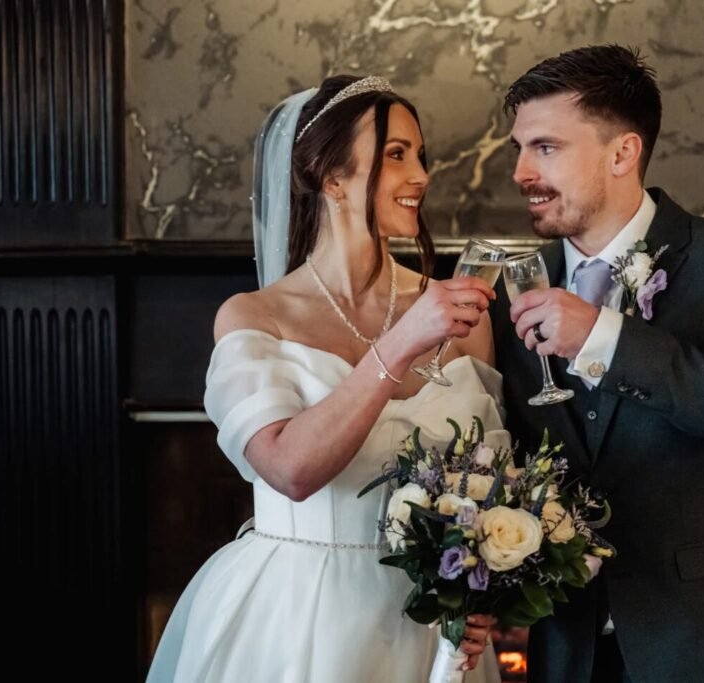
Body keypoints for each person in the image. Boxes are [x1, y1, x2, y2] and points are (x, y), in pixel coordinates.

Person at [148, 75, 503, 682]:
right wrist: (400, 343)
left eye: (421, 157)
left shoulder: (459, 315)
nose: (420, 176)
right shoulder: (254, 317)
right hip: (298, 617)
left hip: (428, 632)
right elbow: (290, 470)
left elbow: (490, 484)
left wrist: (485, 591)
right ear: (329, 177)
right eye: (396, 156)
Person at [492, 45, 704, 682]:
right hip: (572, 651)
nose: (521, 171)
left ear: (623, 152)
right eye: (519, 148)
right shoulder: (512, 289)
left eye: (546, 147)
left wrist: (607, 338)